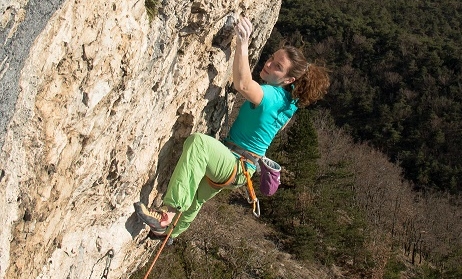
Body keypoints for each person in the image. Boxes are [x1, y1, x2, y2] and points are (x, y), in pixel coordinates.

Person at [134, 16, 329, 238]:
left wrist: (242, 44)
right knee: (196, 196)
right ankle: (172, 233)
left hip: (235, 164)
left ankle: (167, 215)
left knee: (199, 144)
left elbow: (244, 85)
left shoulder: (274, 97)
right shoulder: (289, 104)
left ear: (288, 80)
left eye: (278, 67)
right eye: (272, 58)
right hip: (241, 168)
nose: (268, 64)